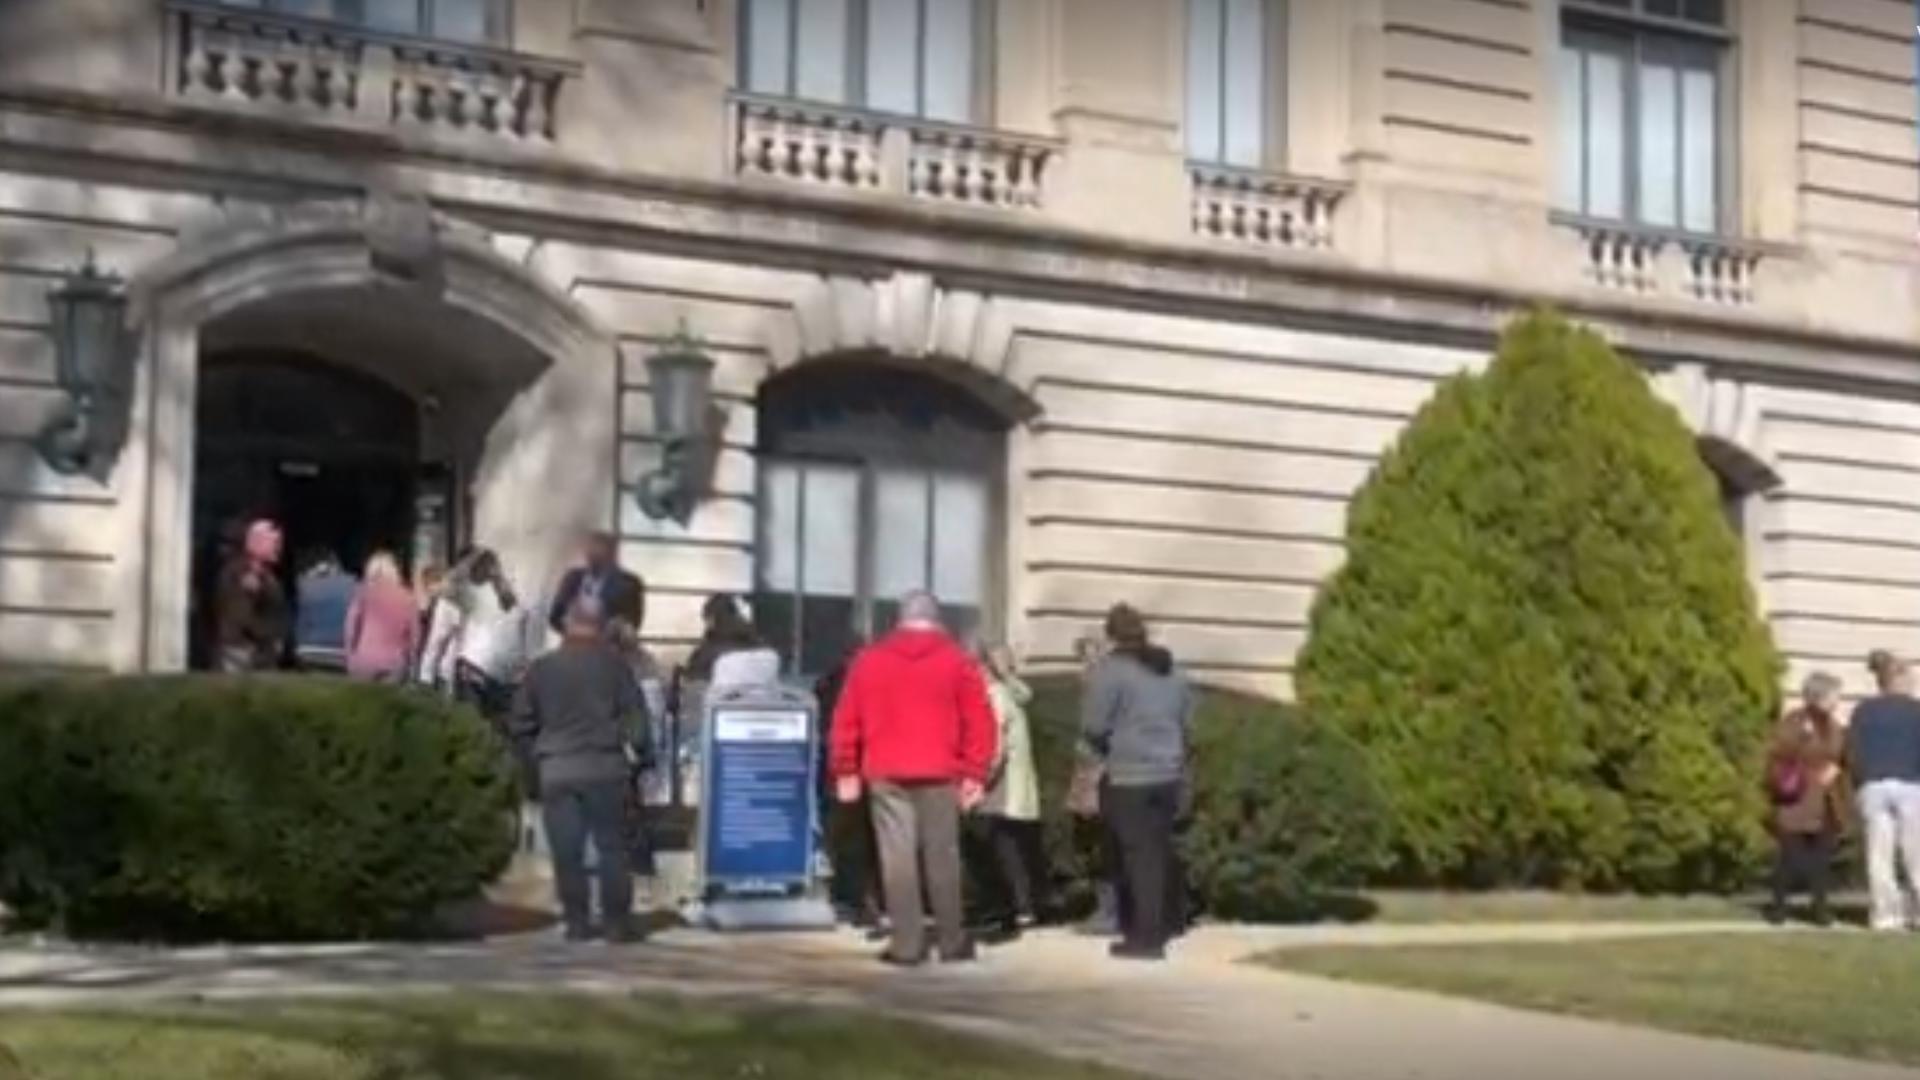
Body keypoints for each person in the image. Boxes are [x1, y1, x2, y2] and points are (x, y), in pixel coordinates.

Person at [830, 590, 997, 966]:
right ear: (938, 621)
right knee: (943, 857)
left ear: (899, 620)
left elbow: (845, 720)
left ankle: (907, 944)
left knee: (897, 858)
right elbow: (980, 721)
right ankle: (952, 940)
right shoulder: (958, 661)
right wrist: (975, 773)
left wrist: (845, 769)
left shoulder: (869, 661)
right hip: (941, 771)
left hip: (886, 770)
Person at [510, 597, 649, 943]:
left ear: (566, 627)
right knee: (612, 848)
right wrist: (638, 755)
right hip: (605, 767)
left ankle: (577, 922)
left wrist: (535, 759)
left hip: (557, 768)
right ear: (600, 627)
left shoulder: (543, 669)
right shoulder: (615, 667)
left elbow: (520, 722)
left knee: (566, 851)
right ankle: (616, 923)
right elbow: (637, 719)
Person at [1083, 604, 1193, 961]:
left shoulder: (1112, 671)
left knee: (1135, 857)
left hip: (1130, 774)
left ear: (1111, 634)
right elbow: (1189, 717)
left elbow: (1095, 725)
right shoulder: (1172, 671)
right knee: (1157, 852)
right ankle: (1162, 922)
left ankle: (1145, 937)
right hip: (1170, 772)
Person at [974, 642, 1051, 937]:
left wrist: (979, 780)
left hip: (1002, 788)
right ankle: (1025, 905)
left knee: (1000, 849)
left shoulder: (995, 697)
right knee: (1016, 848)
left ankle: (1011, 907)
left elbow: (994, 747)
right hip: (1019, 785)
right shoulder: (1014, 694)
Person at [1766, 672, 1847, 926]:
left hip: (1825, 801)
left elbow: (1842, 753)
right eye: (1834, 694)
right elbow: (1779, 751)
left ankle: (1820, 909)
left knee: (1821, 860)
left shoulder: (1834, 726)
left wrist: (1836, 766)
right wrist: (1803, 740)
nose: (1838, 700)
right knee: (1790, 857)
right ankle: (1779, 907)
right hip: (1797, 797)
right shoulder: (1795, 721)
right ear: (1819, 695)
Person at [1848, 650, 1920, 932]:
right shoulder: (1916, 711)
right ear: (1898, 679)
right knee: (1915, 852)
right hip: (1910, 783)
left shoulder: (1863, 711)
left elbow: (1853, 750)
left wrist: (1860, 781)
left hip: (1873, 784)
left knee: (1879, 854)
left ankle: (1885, 915)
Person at [213, 518, 288, 673]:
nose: (279, 548)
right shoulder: (238, 573)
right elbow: (240, 616)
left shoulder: (266, 576)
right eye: (274, 542)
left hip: (260, 655)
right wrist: (269, 637)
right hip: (242, 655)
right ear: (257, 543)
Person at [547, 530, 645, 638]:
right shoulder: (573, 578)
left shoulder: (629, 583)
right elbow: (555, 617)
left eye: (600, 551)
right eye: (591, 550)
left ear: (612, 555)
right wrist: (575, 634)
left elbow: (633, 623)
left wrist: (608, 633)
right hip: (575, 643)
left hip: (610, 647)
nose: (593, 555)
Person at [345, 551, 420, 683]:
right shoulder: (408, 598)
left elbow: (351, 628)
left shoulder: (363, 594)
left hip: (365, 658)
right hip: (394, 661)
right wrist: (412, 661)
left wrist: (350, 656)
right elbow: (414, 635)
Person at [292, 549, 355, 672]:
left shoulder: (302, 584)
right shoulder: (353, 584)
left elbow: (297, 622)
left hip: (307, 651)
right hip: (342, 652)